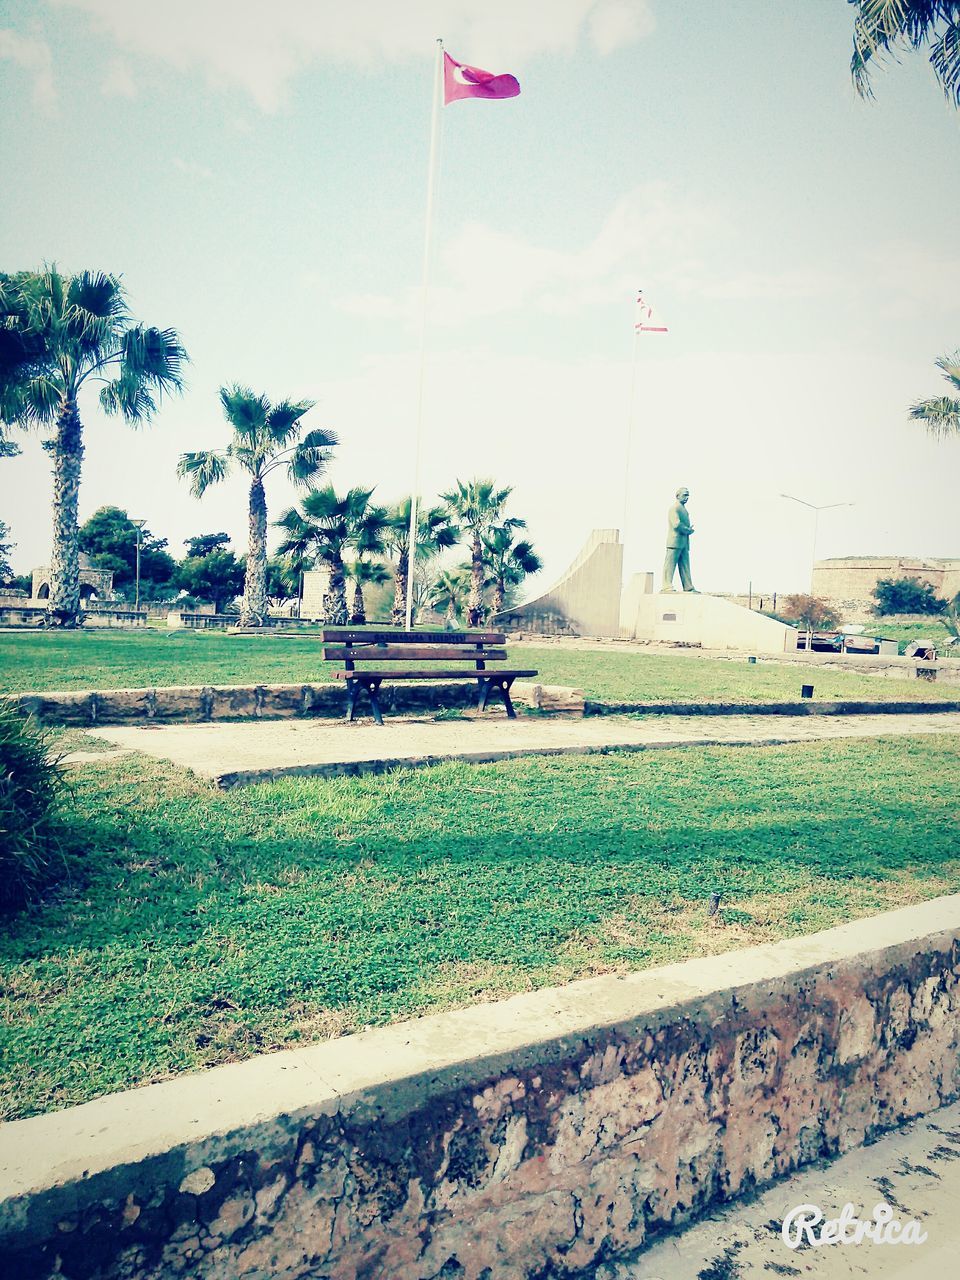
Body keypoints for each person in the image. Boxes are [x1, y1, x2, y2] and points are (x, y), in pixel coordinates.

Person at [662, 486, 697, 592]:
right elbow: (676, 524)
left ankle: (688, 586)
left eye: (688, 495)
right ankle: (666, 585)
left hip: (684, 542)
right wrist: (688, 530)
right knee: (670, 564)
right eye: (685, 495)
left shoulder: (684, 510)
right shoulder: (674, 508)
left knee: (685, 565)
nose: (687, 497)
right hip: (675, 541)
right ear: (677, 496)